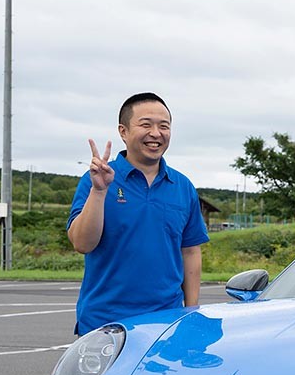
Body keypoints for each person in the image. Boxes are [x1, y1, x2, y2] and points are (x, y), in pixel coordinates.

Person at [68, 92, 208, 334]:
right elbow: (82, 243)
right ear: (123, 131)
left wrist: (191, 310)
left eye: (164, 126)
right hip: (105, 323)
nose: (156, 133)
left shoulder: (183, 187)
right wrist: (99, 192)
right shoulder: (96, 180)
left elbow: (190, 250)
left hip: (166, 322)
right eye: (146, 124)